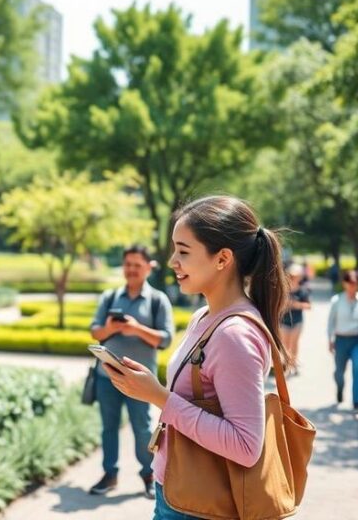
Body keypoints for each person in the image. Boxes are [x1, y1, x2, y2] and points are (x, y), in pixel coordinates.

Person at [104, 195, 289, 519]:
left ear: (222, 259)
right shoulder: (204, 316)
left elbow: (246, 447)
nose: (173, 260)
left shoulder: (234, 336)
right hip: (178, 491)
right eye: (174, 249)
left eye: (184, 251)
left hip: (199, 505)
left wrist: (159, 397)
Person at [88, 245, 174, 499]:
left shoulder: (158, 300)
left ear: (148, 267)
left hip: (140, 380)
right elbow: (95, 332)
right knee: (108, 428)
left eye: (137, 265)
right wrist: (109, 328)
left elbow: (166, 339)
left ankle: (149, 475)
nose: (131, 270)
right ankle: (110, 474)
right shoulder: (110, 297)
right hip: (107, 377)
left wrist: (137, 329)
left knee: (143, 428)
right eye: (128, 264)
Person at [327, 269, 358, 413]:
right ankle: (340, 388)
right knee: (339, 372)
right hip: (341, 340)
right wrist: (330, 339)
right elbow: (331, 322)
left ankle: (357, 401)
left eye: (355, 283)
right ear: (344, 283)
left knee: (357, 367)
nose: (352, 286)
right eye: (350, 283)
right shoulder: (337, 300)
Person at [279, 263, 311, 375]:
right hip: (284, 320)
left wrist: (296, 305)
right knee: (285, 344)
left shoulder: (302, 290)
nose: (293, 277)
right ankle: (286, 365)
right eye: (291, 275)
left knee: (294, 343)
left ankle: (293, 364)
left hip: (297, 320)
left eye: (295, 275)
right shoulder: (283, 289)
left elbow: (308, 306)